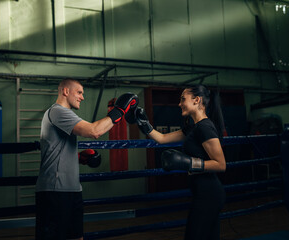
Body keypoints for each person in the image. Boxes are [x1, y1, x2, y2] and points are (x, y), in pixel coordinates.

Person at [35, 79, 138, 240]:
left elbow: (55, 148)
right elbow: (94, 131)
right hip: (55, 191)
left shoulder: (65, 114)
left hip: (72, 190)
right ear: (65, 91)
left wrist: (79, 157)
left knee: (76, 237)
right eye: (79, 92)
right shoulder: (57, 111)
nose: (82, 97)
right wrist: (119, 110)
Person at [126, 84, 226, 240]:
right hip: (202, 192)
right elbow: (162, 138)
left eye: (183, 99)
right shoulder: (192, 127)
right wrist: (144, 124)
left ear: (196, 100)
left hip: (209, 194)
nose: (179, 104)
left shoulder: (205, 127)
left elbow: (221, 164)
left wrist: (189, 163)